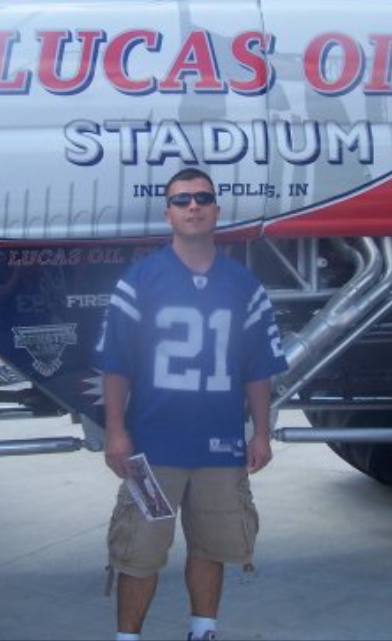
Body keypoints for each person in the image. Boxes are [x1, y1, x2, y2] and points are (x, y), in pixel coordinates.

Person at [93, 167, 287, 641]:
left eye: (202, 198)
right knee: (138, 550)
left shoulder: (243, 286)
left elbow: (258, 368)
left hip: (220, 447)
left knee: (212, 546)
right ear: (168, 213)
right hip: (150, 448)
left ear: (217, 210)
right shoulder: (141, 280)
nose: (193, 206)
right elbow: (115, 364)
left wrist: (259, 432)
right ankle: (128, 638)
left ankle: (203, 632)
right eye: (182, 200)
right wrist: (115, 432)